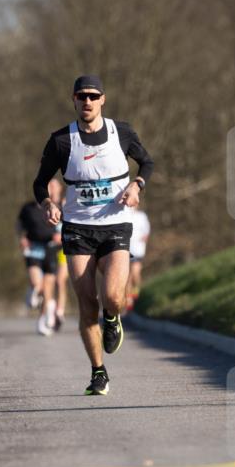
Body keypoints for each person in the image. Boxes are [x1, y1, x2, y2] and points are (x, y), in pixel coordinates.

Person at [33, 75, 154, 395]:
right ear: (73, 100)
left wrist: (136, 185)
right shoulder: (61, 141)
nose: (87, 101)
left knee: (113, 296)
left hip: (116, 224)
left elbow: (147, 163)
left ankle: (112, 318)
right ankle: (98, 372)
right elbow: (39, 182)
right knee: (87, 302)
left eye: (92, 96)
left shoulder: (121, 132)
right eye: (81, 96)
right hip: (78, 228)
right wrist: (47, 203)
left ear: (102, 99)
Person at [17, 184, 61, 336]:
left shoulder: (57, 207)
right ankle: (35, 292)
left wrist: (60, 236)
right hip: (33, 249)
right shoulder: (27, 208)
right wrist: (22, 238)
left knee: (47, 289)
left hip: (51, 249)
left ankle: (43, 319)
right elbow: (19, 226)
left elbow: (64, 226)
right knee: (37, 284)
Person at [126, 207, 151, 311]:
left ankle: (136, 292)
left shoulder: (141, 216)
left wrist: (144, 238)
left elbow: (146, 231)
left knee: (135, 272)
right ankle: (129, 301)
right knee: (127, 276)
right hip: (126, 249)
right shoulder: (123, 214)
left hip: (138, 249)